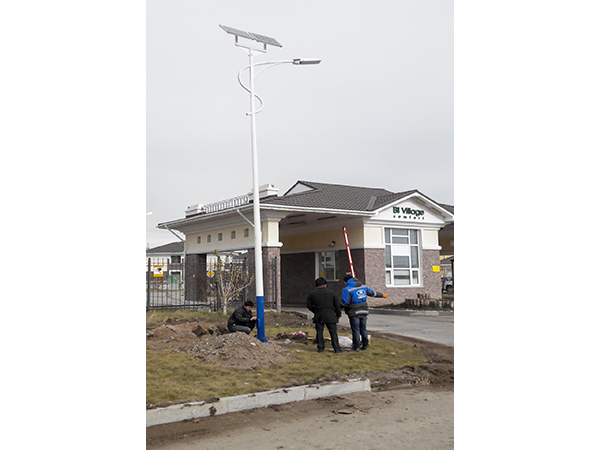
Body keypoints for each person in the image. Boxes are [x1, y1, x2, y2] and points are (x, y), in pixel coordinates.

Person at [341, 275, 387, 351]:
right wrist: (383, 295)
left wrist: (338, 307)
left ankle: (356, 347)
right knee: (363, 329)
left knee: (356, 330)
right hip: (364, 310)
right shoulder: (363, 287)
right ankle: (365, 345)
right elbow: (373, 293)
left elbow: (345, 303)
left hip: (354, 312)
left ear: (346, 282)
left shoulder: (347, 290)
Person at [306, 277, 343, 353]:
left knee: (319, 332)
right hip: (331, 314)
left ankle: (320, 348)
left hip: (319, 315)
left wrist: (315, 311)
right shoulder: (332, 292)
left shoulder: (312, 293)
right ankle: (337, 348)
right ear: (325, 284)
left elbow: (308, 305)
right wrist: (338, 314)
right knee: (333, 332)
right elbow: (337, 305)